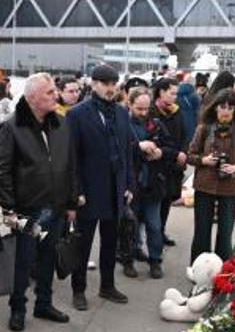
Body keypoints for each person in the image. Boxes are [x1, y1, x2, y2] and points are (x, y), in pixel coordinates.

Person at [0, 73, 76, 332]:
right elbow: (1, 169)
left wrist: (72, 202)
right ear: (32, 98)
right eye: (49, 92)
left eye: (54, 91)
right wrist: (9, 208)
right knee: (23, 260)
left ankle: (44, 303)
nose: (56, 96)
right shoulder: (12, 127)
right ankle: (18, 308)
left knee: (48, 256)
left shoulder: (61, 124)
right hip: (27, 208)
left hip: (56, 205)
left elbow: (70, 165)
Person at [66, 64, 134, 310]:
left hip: (115, 189)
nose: (110, 88)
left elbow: (127, 151)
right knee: (82, 244)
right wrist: (76, 193)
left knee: (110, 241)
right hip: (89, 191)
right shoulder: (77, 114)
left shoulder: (121, 112)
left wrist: (129, 185)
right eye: (105, 84)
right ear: (93, 84)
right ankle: (79, 289)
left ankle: (107, 286)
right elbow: (71, 158)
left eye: (113, 84)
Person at [187, 88, 235, 262]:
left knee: (225, 232)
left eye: (230, 108)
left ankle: (223, 269)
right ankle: (199, 267)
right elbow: (190, 155)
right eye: (222, 107)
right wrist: (204, 160)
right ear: (215, 108)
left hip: (229, 188)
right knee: (202, 231)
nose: (226, 111)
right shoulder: (204, 128)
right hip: (204, 186)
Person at [122, 87, 175, 280]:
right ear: (129, 104)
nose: (143, 113)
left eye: (146, 108)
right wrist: (138, 147)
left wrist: (161, 152)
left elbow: (171, 148)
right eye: (139, 109)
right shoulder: (122, 124)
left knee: (154, 225)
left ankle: (155, 260)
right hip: (131, 184)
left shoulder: (157, 124)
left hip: (153, 184)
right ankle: (128, 259)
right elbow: (116, 150)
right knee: (129, 225)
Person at [150, 77, 186, 251]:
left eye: (176, 94)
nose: (175, 97)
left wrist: (184, 152)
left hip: (174, 164)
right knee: (155, 202)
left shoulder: (176, 111)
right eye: (172, 93)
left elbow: (184, 133)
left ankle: (161, 231)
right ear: (161, 92)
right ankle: (151, 237)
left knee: (167, 200)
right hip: (157, 164)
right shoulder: (151, 112)